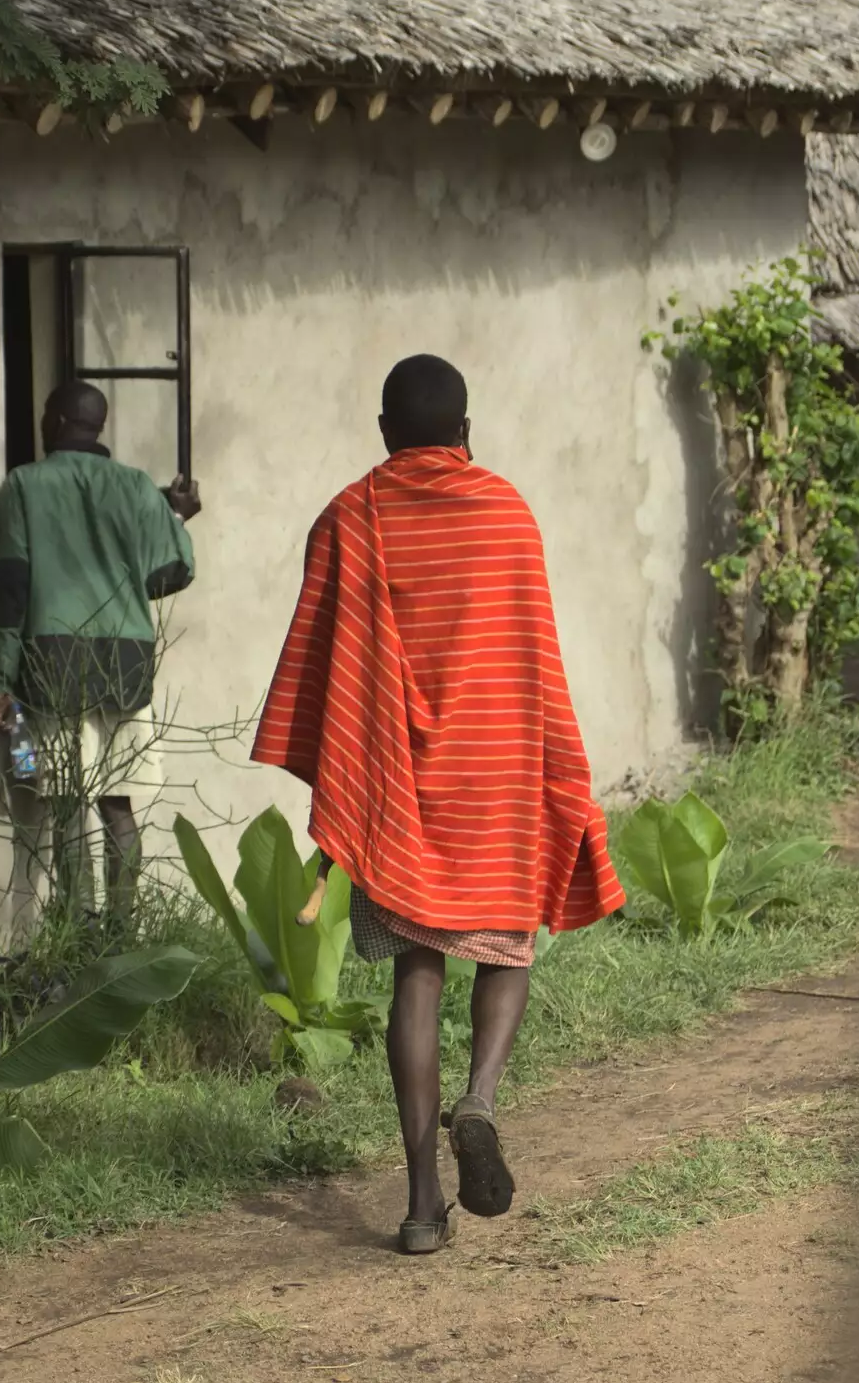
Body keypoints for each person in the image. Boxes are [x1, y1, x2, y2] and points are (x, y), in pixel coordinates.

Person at [252, 355, 624, 1254]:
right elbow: (535, 656)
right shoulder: (507, 511)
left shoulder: (349, 516)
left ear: (385, 431)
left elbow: (322, 659)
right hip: (496, 775)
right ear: (466, 430)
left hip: (399, 786)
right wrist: (557, 768)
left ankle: (422, 1207)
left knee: (417, 976)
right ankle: (480, 1099)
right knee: (506, 947)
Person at [0, 380, 200, 924]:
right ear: (97, 426)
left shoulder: (24, 486)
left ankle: (78, 930)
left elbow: (11, 588)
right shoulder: (134, 489)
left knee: (68, 803)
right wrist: (170, 518)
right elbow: (174, 570)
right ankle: (122, 937)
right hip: (126, 670)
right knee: (119, 805)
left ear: (53, 422)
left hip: (50, 668)